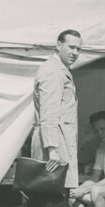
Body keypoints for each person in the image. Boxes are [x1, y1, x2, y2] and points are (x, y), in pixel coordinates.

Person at [32, 29, 81, 196]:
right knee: (53, 204)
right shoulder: (53, 71)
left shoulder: (60, 70)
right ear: (58, 45)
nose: (75, 53)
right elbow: (49, 113)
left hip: (58, 144)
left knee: (46, 203)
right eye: (71, 47)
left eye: (78, 49)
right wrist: (53, 150)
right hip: (53, 147)